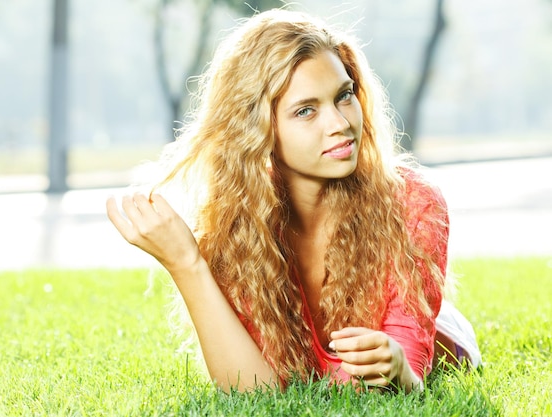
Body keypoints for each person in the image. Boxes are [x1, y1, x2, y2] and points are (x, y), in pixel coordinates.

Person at [106, 9, 480, 393]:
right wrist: (187, 264)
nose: (340, 123)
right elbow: (256, 392)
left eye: (344, 96)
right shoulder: (237, 225)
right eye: (306, 110)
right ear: (259, 129)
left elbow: (405, 378)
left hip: (442, 340)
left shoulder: (413, 203)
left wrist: (399, 367)